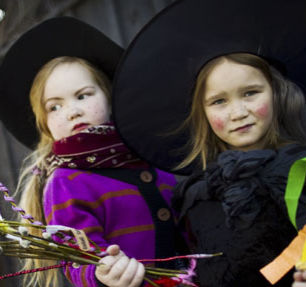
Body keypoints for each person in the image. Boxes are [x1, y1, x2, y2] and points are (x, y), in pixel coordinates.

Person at [109, 0, 306, 286]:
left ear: (276, 94)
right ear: (202, 113)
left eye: (250, 93)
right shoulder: (194, 197)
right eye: (219, 101)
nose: (238, 113)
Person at [0, 17, 182, 287]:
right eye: (54, 106)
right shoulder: (66, 183)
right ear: (45, 125)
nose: (72, 111)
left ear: (110, 96)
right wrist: (101, 272)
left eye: (83, 95)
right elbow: (79, 257)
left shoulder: (154, 155)